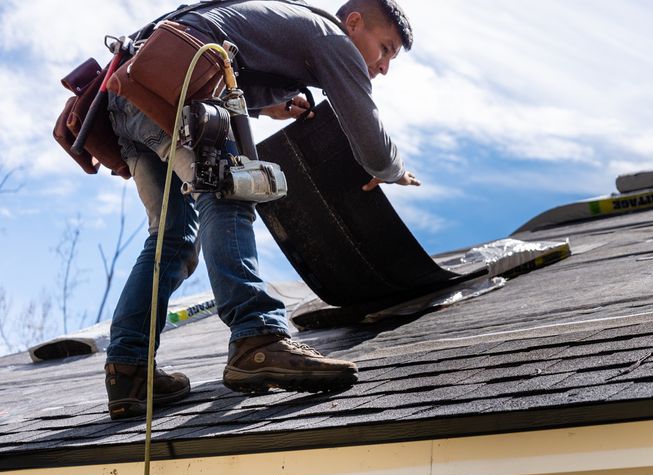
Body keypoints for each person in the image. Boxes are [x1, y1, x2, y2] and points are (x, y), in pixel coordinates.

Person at [104, 0, 420, 420]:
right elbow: (370, 139)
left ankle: (127, 370)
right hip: (173, 91)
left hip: (128, 97)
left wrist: (265, 104)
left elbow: (225, 61)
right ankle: (257, 340)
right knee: (229, 193)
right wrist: (393, 168)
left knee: (172, 237)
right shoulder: (332, 38)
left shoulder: (289, 24)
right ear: (354, 22)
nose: (383, 67)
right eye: (385, 49)